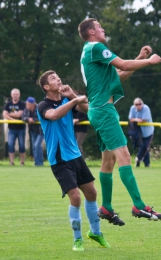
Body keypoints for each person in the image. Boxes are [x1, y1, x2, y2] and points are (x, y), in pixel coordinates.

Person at [78, 18, 161, 226]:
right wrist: (150, 61)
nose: (103, 29)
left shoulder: (91, 52)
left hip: (100, 111)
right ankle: (138, 205)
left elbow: (120, 74)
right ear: (91, 31)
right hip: (104, 112)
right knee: (124, 155)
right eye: (99, 26)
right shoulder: (95, 47)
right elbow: (123, 65)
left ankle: (106, 207)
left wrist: (140, 58)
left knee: (109, 161)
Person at [37, 70, 110, 251]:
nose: (58, 78)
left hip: (75, 155)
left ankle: (95, 232)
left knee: (92, 193)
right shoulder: (43, 105)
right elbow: (54, 115)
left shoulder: (66, 99)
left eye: (58, 76)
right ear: (46, 87)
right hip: (59, 159)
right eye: (53, 78)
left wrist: (73, 96)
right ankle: (77, 240)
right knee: (75, 197)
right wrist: (72, 101)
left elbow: (87, 109)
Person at [3, 88, 26, 165]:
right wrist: (13, 119)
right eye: (14, 94)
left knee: (22, 145)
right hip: (11, 129)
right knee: (10, 145)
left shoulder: (22, 104)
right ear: (11, 95)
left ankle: (22, 162)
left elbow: (19, 114)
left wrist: (9, 114)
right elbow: (4, 114)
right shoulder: (8, 104)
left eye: (16, 94)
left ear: (19, 95)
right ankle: (11, 161)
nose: (15, 96)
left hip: (21, 128)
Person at [129, 98, 154, 167]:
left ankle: (138, 159)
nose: (138, 106)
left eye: (140, 104)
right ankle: (147, 164)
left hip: (148, 132)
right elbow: (131, 119)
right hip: (139, 132)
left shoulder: (146, 108)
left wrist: (135, 120)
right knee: (142, 147)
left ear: (142, 104)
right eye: (136, 104)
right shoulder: (132, 108)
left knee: (145, 146)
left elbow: (144, 120)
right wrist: (137, 119)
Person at [22, 97, 44, 166]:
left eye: (28, 104)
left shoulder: (39, 108)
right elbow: (23, 117)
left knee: (37, 145)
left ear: (32, 104)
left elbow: (43, 116)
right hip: (33, 130)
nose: (26, 105)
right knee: (34, 147)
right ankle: (36, 162)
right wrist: (28, 119)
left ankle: (39, 162)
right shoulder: (26, 109)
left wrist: (33, 120)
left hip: (41, 130)